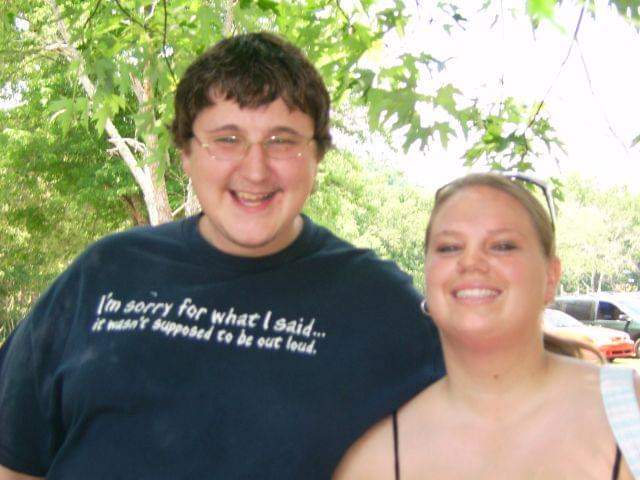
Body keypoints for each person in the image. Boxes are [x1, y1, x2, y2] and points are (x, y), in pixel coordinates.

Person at [0, 32, 444, 479]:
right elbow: (12, 457)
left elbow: (476, 420)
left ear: (317, 155)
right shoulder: (104, 274)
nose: (255, 169)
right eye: (227, 139)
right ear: (186, 152)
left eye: (282, 140)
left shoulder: (378, 303)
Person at [333, 173, 640, 479]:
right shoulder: (377, 462)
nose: (471, 262)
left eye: (502, 245)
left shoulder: (630, 412)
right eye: (449, 247)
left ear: (551, 277)